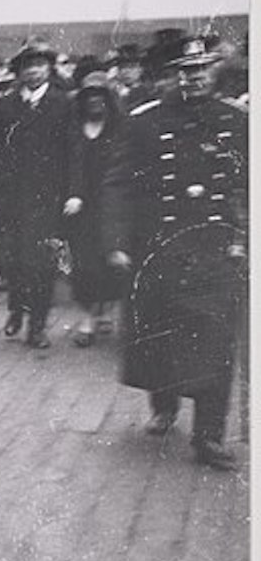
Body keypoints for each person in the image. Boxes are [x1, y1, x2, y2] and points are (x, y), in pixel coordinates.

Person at [102, 35, 247, 471]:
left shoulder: (235, 120)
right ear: (174, 75)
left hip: (217, 249)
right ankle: (164, 405)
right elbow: (118, 184)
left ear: (213, 72)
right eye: (187, 70)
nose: (195, 77)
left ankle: (209, 437)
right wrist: (114, 241)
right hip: (160, 246)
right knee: (160, 334)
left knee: (217, 342)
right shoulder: (144, 121)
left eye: (202, 69)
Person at [0, 40, 72, 348]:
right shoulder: (5, 106)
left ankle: (38, 325)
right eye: (27, 67)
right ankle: (17, 309)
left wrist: (73, 193)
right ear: (18, 72)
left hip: (48, 198)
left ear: (49, 69)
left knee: (42, 263)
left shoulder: (63, 103)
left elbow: (74, 153)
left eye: (39, 65)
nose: (33, 72)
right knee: (14, 260)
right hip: (10, 198)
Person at [62, 58, 127, 346]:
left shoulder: (120, 131)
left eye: (100, 97)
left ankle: (106, 311)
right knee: (83, 266)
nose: (95, 103)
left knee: (109, 263)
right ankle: (87, 318)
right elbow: (64, 167)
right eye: (89, 98)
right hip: (79, 210)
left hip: (111, 208)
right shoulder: (73, 130)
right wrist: (71, 195)